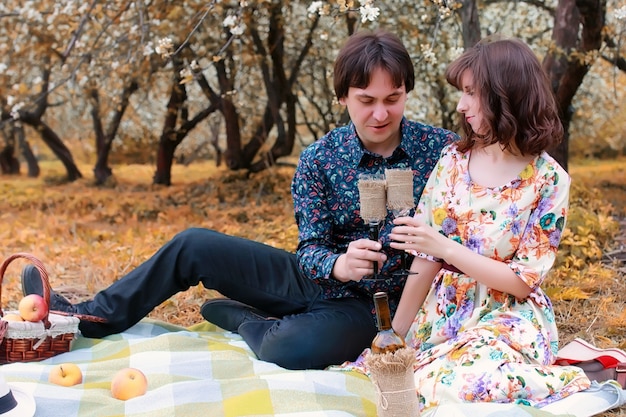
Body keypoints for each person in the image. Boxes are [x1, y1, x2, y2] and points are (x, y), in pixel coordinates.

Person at [21, 30, 458, 370]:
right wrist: (338, 264)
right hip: (317, 280)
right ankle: (89, 318)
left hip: (383, 306)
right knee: (193, 244)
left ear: (406, 93)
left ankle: (248, 320)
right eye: (366, 101)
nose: (380, 114)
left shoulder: (442, 151)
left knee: (288, 346)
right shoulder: (320, 158)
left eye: (392, 100)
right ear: (342, 97)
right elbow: (310, 249)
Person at [333, 37, 592, 409]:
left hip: (508, 318)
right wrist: (396, 336)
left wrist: (446, 248)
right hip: (444, 313)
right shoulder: (454, 160)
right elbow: (425, 258)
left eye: (471, 92)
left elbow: (521, 283)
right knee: (391, 378)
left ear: (506, 94)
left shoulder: (549, 180)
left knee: (467, 383)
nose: (460, 104)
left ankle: (574, 375)